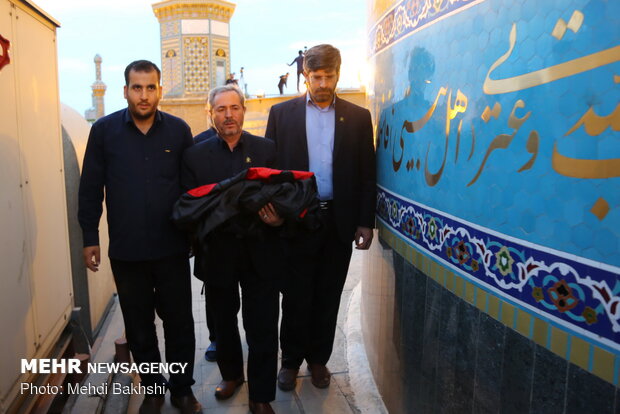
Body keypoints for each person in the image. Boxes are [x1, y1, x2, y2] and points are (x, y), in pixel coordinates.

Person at [78, 60, 201, 414]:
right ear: (125, 91)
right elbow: (90, 189)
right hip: (128, 250)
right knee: (138, 325)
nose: (144, 95)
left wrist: (193, 235)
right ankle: (152, 389)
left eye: (150, 87)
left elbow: (191, 189)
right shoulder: (103, 131)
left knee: (179, 323)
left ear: (160, 89)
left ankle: (181, 389)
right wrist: (90, 237)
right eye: (137, 87)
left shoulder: (178, 131)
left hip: (172, 248)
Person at [265, 44, 376, 391]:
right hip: (297, 220)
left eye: (329, 76)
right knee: (296, 294)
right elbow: (270, 174)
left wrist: (364, 221)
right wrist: (275, 215)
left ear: (338, 75)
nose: (323, 83)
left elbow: (366, 174)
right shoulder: (281, 115)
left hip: (338, 221)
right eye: (316, 76)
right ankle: (290, 362)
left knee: (328, 294)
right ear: (305, 76)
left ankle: (318, 361)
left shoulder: (358, 118)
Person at [180, 85, 281, 414]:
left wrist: (277, 217)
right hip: (218, 254)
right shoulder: (195, 155)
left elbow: (282, 193)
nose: (228, 115)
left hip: (261, 253)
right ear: (210, 114)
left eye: (234, 108)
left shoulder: (266, 149)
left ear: (243, 110)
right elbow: (188, 203)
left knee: (262, 324)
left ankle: (261, 394)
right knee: (223, 322)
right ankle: (232, 375)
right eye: (221, 109)